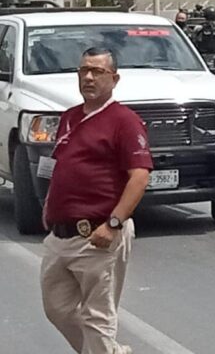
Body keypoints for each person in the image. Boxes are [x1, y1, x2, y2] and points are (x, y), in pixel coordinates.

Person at [40, 47, 153, 354]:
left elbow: (139, 176)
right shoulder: (69, 118)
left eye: (97, 72)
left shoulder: (124, 121)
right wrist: (49, 206)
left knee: (97, 317)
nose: (88, 77)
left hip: (98, 235)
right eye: (83, 71)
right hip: (60, 236)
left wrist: (113, 224)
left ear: (114, 79)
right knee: (58, 309)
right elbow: (60, 166)